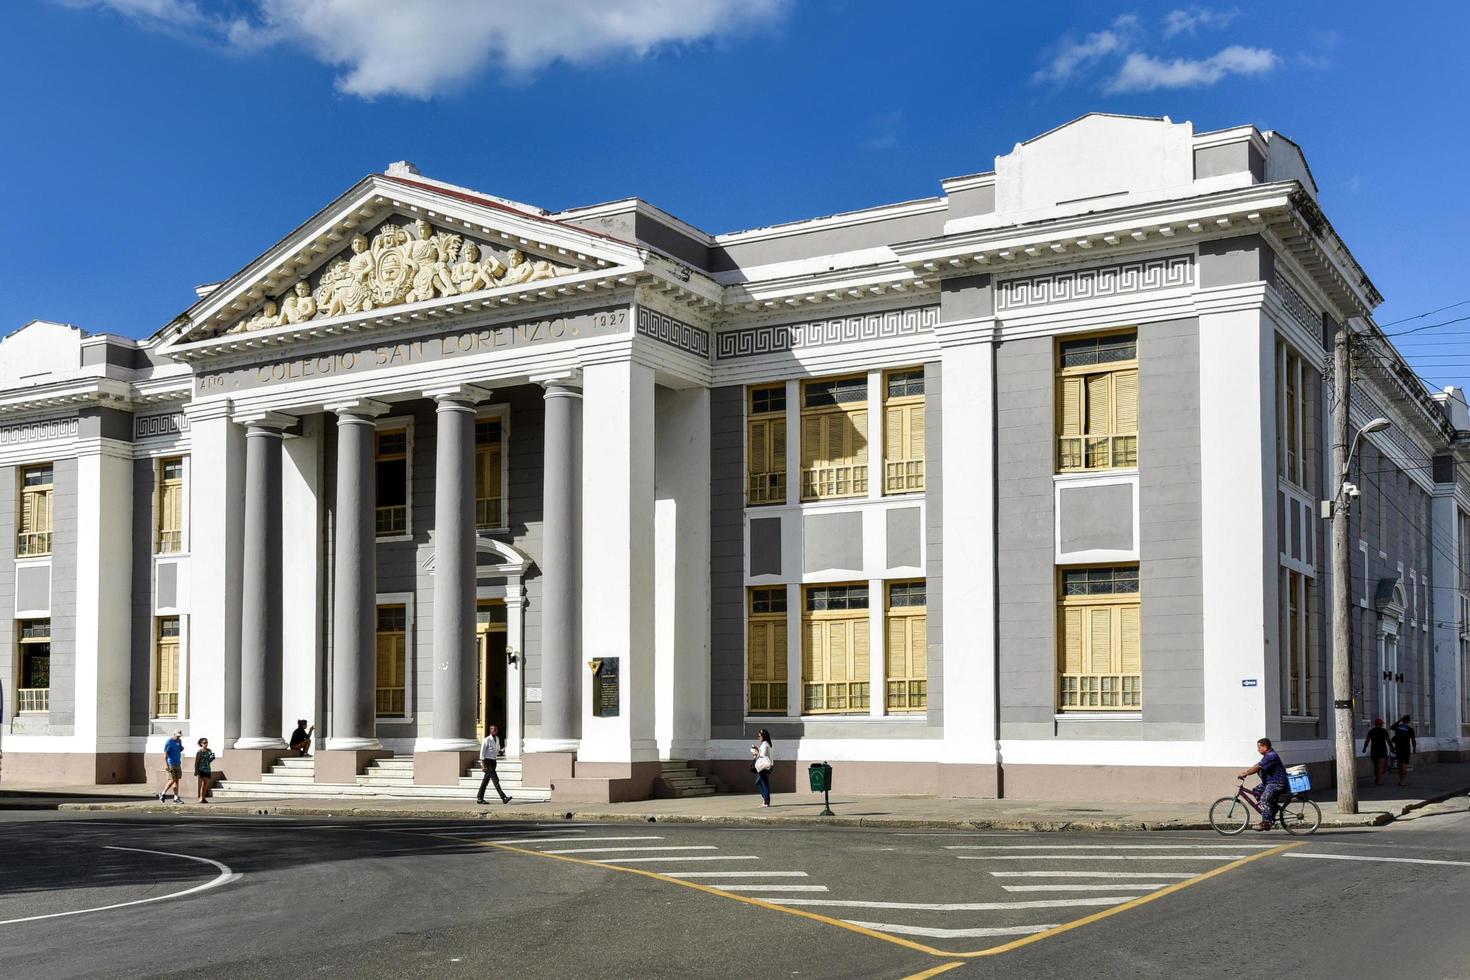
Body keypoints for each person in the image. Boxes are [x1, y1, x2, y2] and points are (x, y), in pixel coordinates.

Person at [1238, 737, 1287, 831]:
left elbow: (1257, 766)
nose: (1258, 749)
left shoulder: (1271, 756)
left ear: (1265, 747)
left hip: (1277, 783)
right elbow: (1258, 765)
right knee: (1256, 791)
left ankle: (1266, 822)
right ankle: (1272, 809)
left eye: (1259, 747)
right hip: (1269, 783)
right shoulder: (1267, 756)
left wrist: (1246, 773)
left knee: (1264, 798)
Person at [477, 724, 511, 805]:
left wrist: (502, 750)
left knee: (485, 781)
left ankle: (479, 798)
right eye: (494, 730)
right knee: (496, 780)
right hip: (488, 763)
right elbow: (482, 753)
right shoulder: (487, 740)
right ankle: (504, 797)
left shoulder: (497, 739)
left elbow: (497, 751)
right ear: (491, 730)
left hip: (494, 762)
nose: (496, 731)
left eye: (496, 730)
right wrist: (482, 765)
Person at [1363, 718, 1391, 786]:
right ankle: (1379, 781)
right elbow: (1388, 740)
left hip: (1374, 751)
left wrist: (1364, 748)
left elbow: (1367, 740)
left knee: (1376, 766)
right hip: (1382, 750)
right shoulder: (1384, 731)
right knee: (1382, 766)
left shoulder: (1371, 731)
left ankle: (1377, 778)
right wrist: (1392, 748)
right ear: (1381, 724)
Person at [1390, 715, 1417, 786]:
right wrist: (1414, 748)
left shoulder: (1398, 727)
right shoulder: (1410, 729)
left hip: (1398, 748)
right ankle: (1402, 781)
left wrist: (1399, 721)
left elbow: (1392, 727)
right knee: (1404, 764)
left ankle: (1400, 779)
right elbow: (1413, 740)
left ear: (1403, 720)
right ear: (1409, 721)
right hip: (1406, 748)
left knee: (1399, 764)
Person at [159, 730, 184, 804]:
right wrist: (166, 764)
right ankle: (163, 793)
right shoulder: (169, 742)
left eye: (180, 736)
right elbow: (165, 754)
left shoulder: (179, 741)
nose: (179, 737)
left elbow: (180, 749)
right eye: (177, 735)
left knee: (176, 781)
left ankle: (176, 798)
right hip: (171, 763)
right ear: (174, 734)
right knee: (172, 780)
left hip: (178, 763)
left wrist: (181, 747)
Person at [751, 729, 773, 808]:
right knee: (759, 782)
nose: (759, 737)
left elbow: (762, 755)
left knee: (764, 783)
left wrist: (756, 752)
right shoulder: (767, 744)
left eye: (760, 736)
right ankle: (765, 800)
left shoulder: (765, 744)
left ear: (764, 736)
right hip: (766, 766)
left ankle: (766, 801)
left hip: (764, 766)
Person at [194, 738, 215, 804]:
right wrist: (196, 770)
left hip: (207, 768)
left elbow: (209, 760)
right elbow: (196, 762)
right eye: (204, 742)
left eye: (206, 742)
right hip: (202, 769)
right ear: (201, 744)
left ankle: (203, 797)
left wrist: (212, 758)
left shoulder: (209, 750)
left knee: (206, 783)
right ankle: (201, 797)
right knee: (204, 782)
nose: (206, 744)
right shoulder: (199, 752)